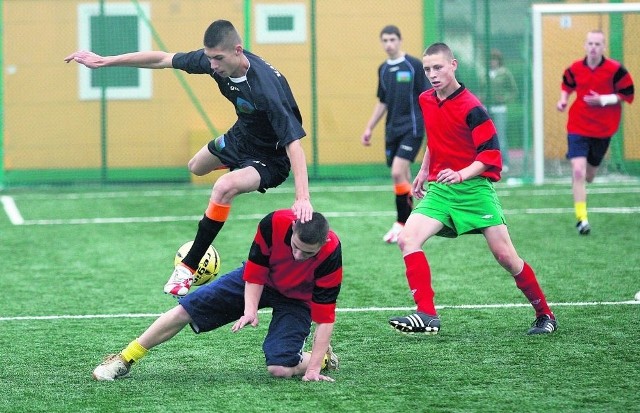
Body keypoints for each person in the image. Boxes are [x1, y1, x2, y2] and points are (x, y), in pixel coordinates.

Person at [65, 20, 313, 296]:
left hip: (272, 158)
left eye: (218, 59)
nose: (213, 65)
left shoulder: (266, 88)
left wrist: (302, 197)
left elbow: (294, 144)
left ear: (238, 51)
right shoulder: (212, 61)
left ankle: (187, 268)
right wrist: (105, 61)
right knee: (196, 166)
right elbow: (162, 58)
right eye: (209, 58)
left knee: (223, 187)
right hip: (241, 137)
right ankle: (238, 170)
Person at [388, 43, 557, 336]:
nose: (432, 74)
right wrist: (424, 170)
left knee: (506, 256)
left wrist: (461, 174)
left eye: (438, 67)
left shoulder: (472, 107)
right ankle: (427, 315)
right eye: (427, 69)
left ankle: (545, 315)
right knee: (407, 238)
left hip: (475, 189)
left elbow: (490, 155)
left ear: (453, 65)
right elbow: (436, 139)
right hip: (441, 190)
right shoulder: (427, 99)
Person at [92, 209, 342, 382]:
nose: (298, 256)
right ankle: (124, 359)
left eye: (307, 253)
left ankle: (319, 359)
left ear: (323, 243)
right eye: (296, 247)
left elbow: (325, 315)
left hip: (297, 300)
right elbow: (255, 271)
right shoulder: (274, 223)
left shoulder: (331, 253)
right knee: (185, 309)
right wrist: (249, 309)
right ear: (293, 227)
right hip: (261, 280)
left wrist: (311, 370)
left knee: (279, 368)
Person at [556, 29, 634, 235]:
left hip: (603, 130)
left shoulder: (615, 70)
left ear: (604, 47)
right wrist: (563, 100)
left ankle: (582, 174)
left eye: (597, 44)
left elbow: (628, 93)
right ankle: (582, 219)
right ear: (585, 45)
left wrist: (604, 99)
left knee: (589, 175)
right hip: (577, 126)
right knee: (578, 171)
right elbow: (567, 85)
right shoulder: (575, 68)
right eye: (590, 43)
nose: (593, 48)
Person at [361, 25, 431, 244]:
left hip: (413, 127)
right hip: (392, 131)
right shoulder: (383, 69)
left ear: (400, 40)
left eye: (392, 39)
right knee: (404, 177)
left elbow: (428, 96)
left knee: (397, 172)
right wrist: (369, 127)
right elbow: (382, 101)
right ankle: (412, 224)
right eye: (385, 40)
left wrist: (433, 124)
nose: (388, 44)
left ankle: (401, 224)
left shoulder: (413, 66)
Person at [487, 49, 518, 172]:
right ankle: (488, 163)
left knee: (500, 136)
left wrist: (503, 98)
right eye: (490, 60)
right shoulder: (485, 73)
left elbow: (514, 91)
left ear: (499, 61)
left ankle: (504, 162)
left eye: (494, 60)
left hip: (500, 108)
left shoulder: (505, 73)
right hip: (486, 108)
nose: (492, 62)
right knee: (486, 136)